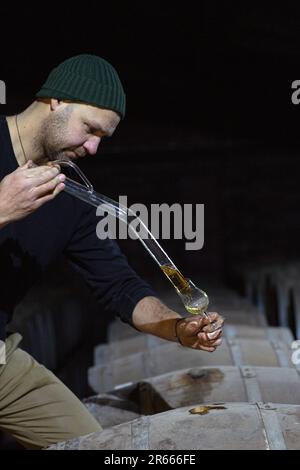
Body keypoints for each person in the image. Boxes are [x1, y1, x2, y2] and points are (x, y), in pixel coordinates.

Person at [0, 54, 224, 449]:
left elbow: (119, 286)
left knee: (97, 449)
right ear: (56, 100)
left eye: (102, 138)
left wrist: (177, 328)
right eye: (89, 129)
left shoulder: (67, 194)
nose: (93, 147)